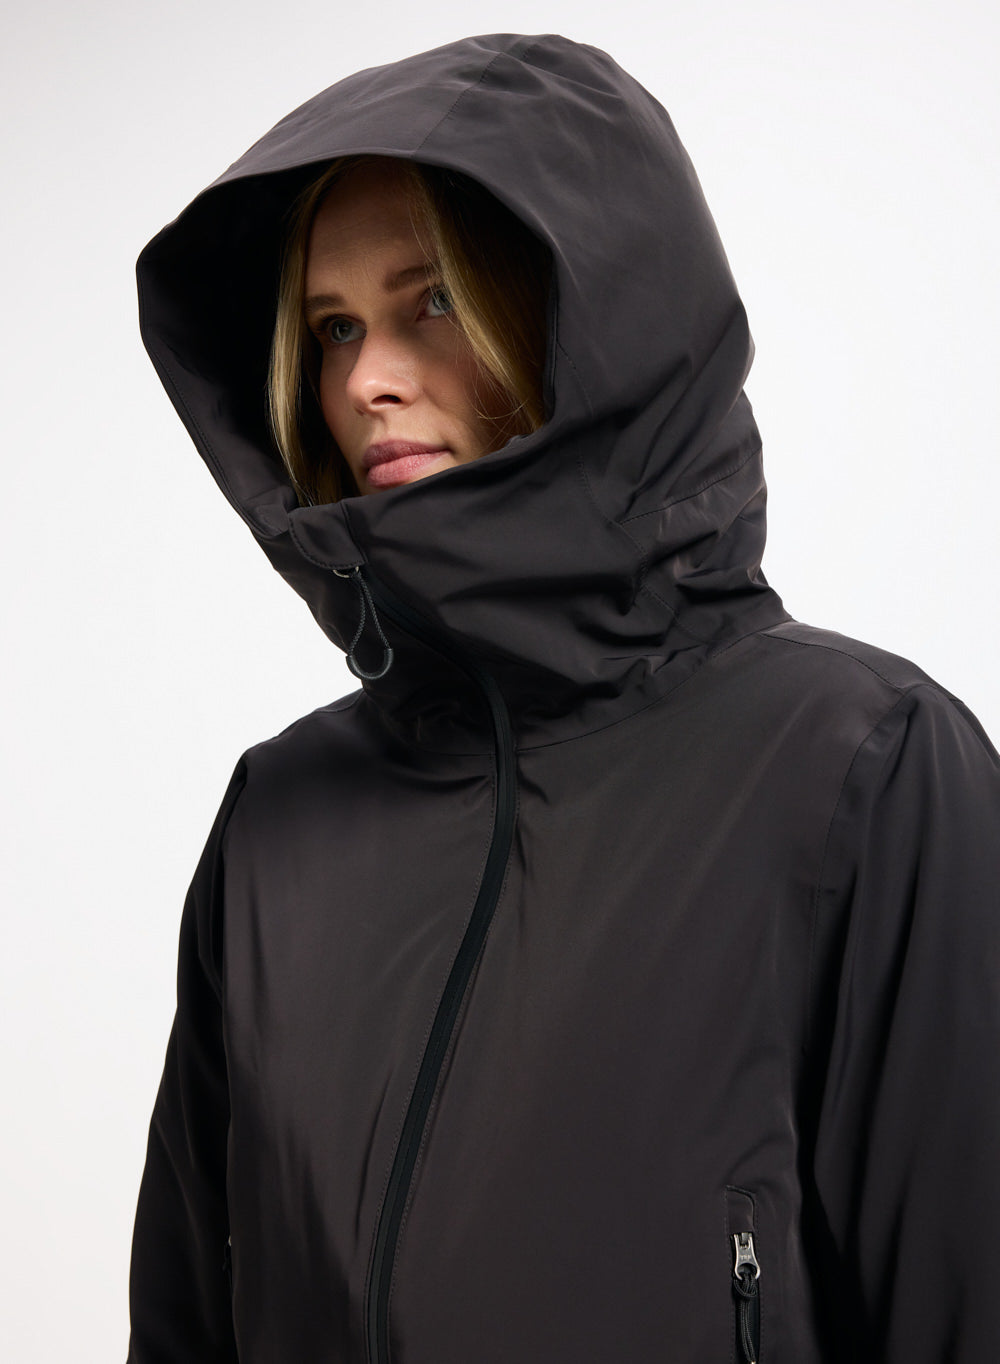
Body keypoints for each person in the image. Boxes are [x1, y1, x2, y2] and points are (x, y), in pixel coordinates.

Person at [126, 33, 1000, 1364]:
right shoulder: (278, 823)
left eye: (432, 302)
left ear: (597, 326)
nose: (365, 380)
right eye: (334, 326)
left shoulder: (860, 768)